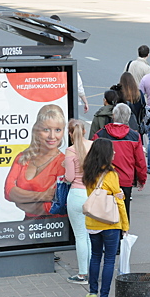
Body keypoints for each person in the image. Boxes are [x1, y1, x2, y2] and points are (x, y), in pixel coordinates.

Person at [83, 138, 129, 297]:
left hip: (93, 221)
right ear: (106, 154)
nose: (114, 153)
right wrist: (125, 224)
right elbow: (118, 201)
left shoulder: (88, 171)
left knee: (95, 256)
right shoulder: (111, 174)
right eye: (112, 151)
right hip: (110, 222)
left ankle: (92, 293)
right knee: (109, 259)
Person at [4, 104, 66, 219]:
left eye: (58, 130)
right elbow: (8, 192)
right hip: (27, 228)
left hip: (55, 230)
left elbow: (54, 206)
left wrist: (21, 202)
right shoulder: (22, 157)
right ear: (37, 130)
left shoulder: (64, 162)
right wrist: (42, 196)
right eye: (46, 130)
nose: (52, 136)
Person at [92, 103, 147, 220]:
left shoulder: (100, 135)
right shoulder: (134, 136)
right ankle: (123, 235)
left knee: (103, 213)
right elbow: (140, 161)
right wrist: (141, 179)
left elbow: (93, 158)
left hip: (104, 179)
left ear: (113, 115)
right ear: (128, 117)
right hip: (125, 179)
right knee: (124, 213)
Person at [64, 119, 93, 284]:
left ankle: (83, 274)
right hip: (92, 194)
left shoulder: (70, 151)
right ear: (84, 131)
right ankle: (92, 270)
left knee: (80, 236)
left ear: (70, 133)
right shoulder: (93, 146)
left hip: (76, 194)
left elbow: (69, 178)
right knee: (90, 235)